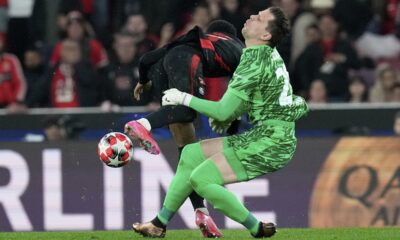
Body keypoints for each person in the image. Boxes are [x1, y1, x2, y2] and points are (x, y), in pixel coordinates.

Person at [131, 7, 308, 238]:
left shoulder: (254, 60)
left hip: (272, 143)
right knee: (191, 155)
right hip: (266, 135)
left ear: (265, 35)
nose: (252, 17)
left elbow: (223, 111)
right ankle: (159, 223)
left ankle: (256, 227)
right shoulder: (261, 55)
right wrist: (231, 114)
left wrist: (183, 98)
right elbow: (256, 100)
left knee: (200, 179)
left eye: (260, 18)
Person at [125, 20, 244, 237]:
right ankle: (142, 124)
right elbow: (238, 97)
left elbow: (145, 59)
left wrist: (143, 81)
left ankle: (201, 212)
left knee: (188, 151)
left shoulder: (197, 39)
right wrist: (232, 132)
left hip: (164, 66)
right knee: (187, 112)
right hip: (187, 61)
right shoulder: (238, 49)